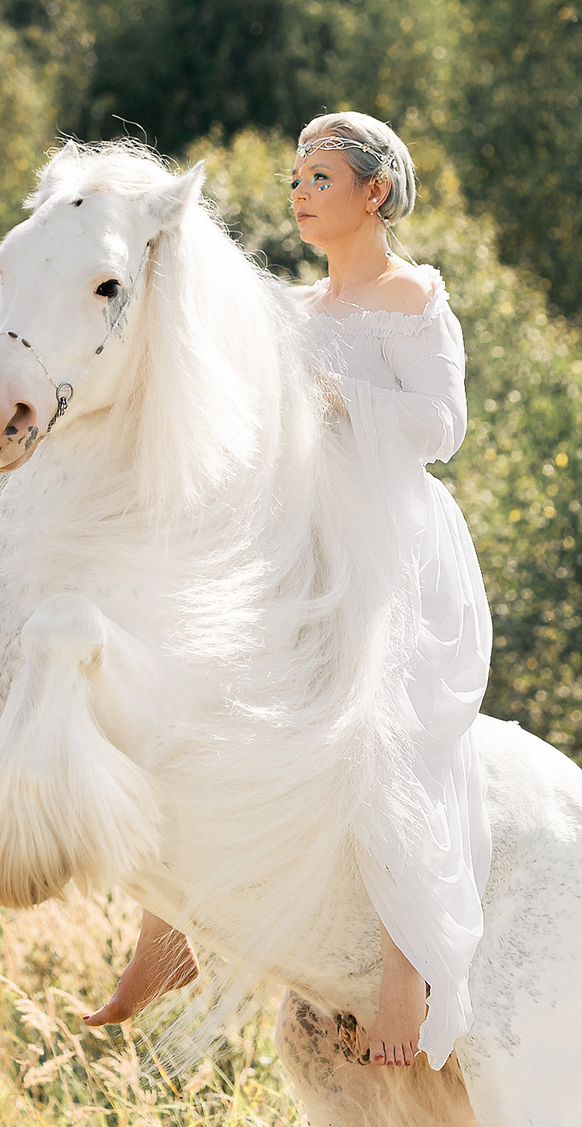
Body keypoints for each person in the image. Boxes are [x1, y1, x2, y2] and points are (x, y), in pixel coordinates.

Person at [84, 113, 493, 1069]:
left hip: (392, 545)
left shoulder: (414, 296)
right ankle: (168, 926)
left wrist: (343, 399)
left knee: (387, 729)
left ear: (375, 193)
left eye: (320, 176)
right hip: (306, 537)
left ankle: (407, 972)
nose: (300, 190)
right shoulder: (294, 308)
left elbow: (443, 425)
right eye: (296, 175)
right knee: (197, 680)